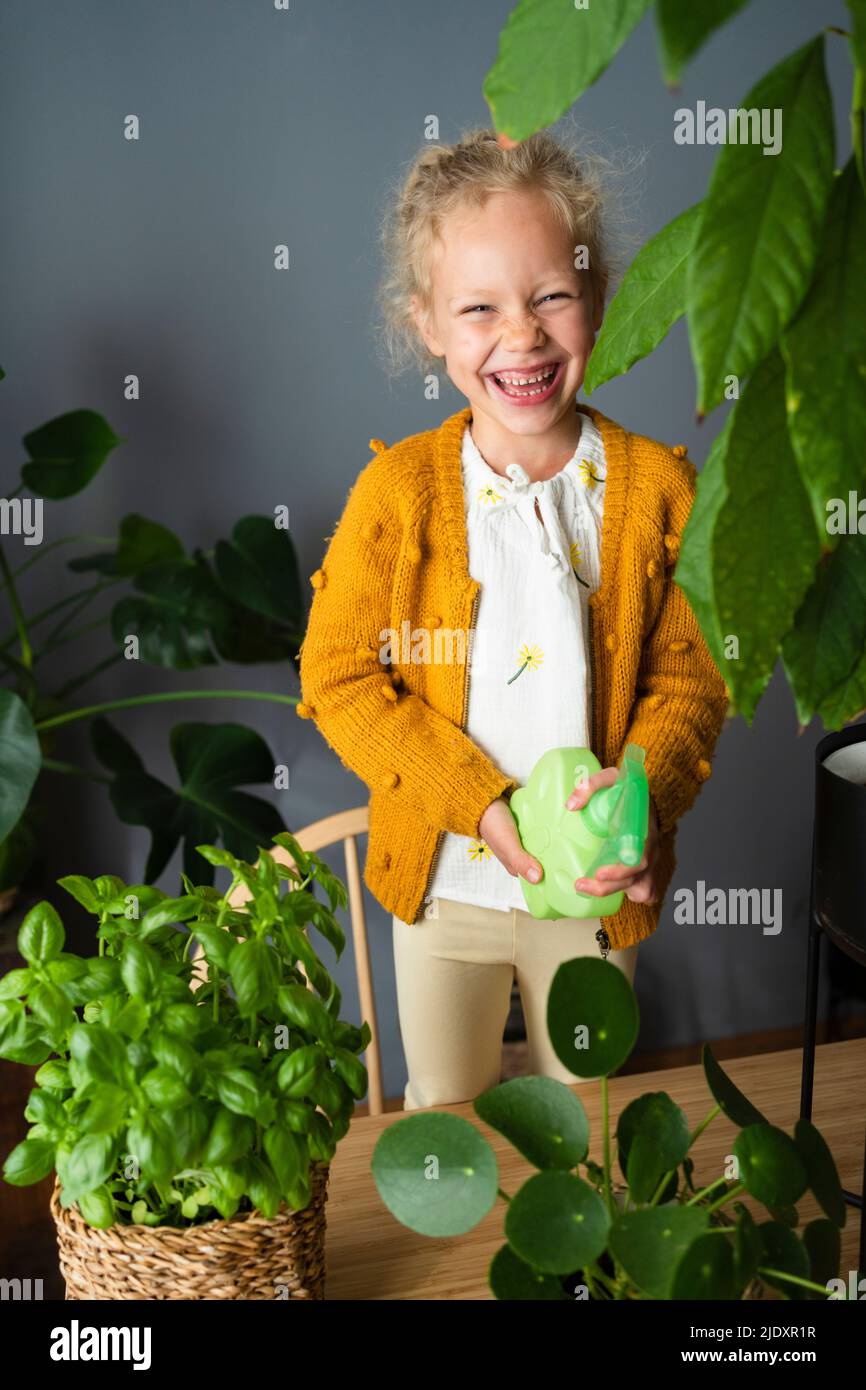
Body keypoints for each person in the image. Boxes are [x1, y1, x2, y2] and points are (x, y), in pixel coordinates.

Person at [297, 128, 729, 1109]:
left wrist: (643, 788)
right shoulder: (397, 492)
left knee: (591, 1117)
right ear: (426, 326)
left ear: (598, 297)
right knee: (444, 1117)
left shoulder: (658, 490)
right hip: (444, 889)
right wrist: (477, 801)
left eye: (549, 297)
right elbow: (337, 675)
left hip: (586, 896)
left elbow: (692, 677)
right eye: (478, 308)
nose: (521, 335)